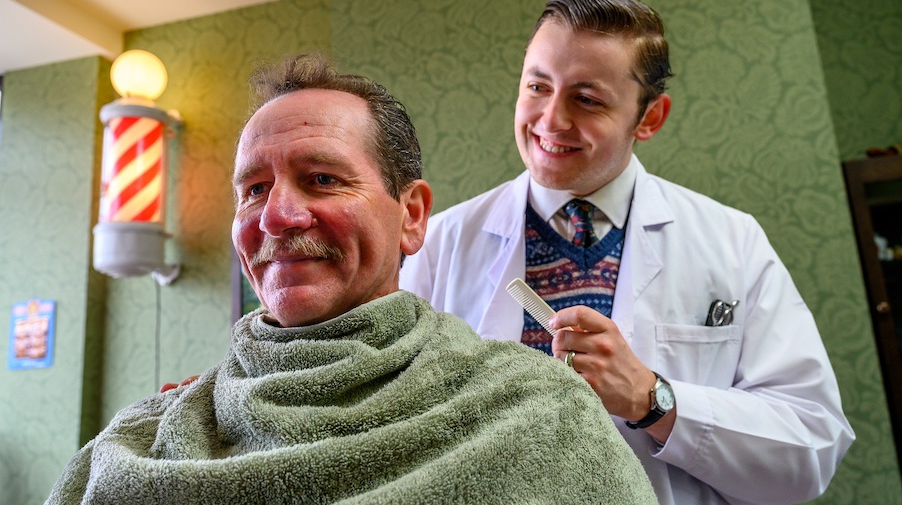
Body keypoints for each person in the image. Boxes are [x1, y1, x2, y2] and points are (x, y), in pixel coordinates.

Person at [46, 53, 657, 504]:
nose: (277, 216)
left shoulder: (537, 414)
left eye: (322, 179)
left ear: (412, 215)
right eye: (254, 190)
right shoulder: (145, 442)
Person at [399, 0, 855, 504]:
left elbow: (810, 448)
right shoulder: (439, 243)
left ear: (650, 118)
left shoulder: (733, 241)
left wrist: (650, 399)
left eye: (587, 99)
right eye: (537, 87)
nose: (550, 121)